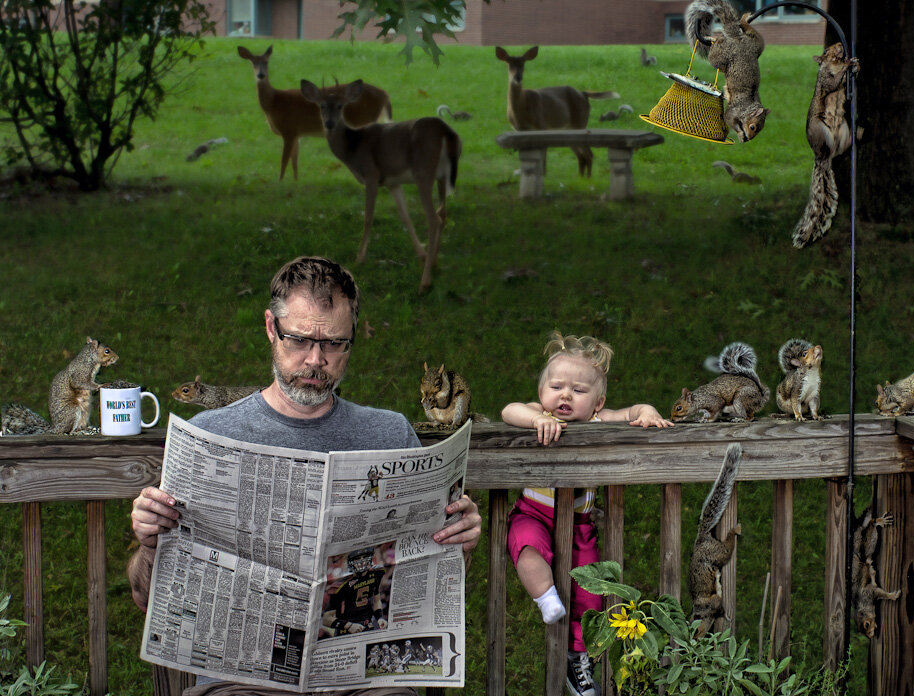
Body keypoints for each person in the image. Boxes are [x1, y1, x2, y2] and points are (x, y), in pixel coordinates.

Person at [128, 256, 481, 696]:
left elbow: (432, 581)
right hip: (245, 683)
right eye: (300, 340)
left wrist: (459, 542)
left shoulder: (389, 433)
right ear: (271, 328)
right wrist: (149, 544)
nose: (316, 360)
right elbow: (146, 597)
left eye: (335, 344)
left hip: (363, 682)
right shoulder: (211, 436)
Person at [500, 332, 672, 696]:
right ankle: (546, 598)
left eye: (578, 390)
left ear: (598, 403)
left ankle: (577, 657)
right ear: (543, 391)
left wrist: (647, 413)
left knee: (592, 592)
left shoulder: (600, 421)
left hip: (579, 524)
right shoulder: (540, 415)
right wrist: (534, 421)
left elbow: (633, 411)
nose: (565, 395)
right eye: (556, 386)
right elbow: (508, 410)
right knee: (527, 550)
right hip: (534, 512)